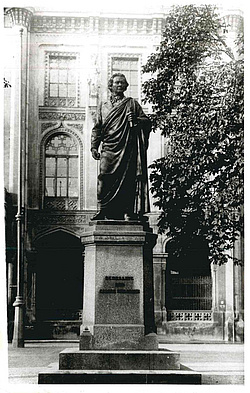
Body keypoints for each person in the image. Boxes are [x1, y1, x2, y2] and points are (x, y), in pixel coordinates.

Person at [91, 73, 151, 220]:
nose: (119, 85)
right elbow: (97, 127)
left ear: (126, 86)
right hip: (109, 148)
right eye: (117, 82)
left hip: (127, 147)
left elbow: (147, 122)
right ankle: (102, 209)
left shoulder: (132, 104)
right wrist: (94, 146)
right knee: (104, 177)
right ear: (111, 86)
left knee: (127, 180)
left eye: (122, 83)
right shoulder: (102, 106)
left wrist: (136, 120)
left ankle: (127, 211)